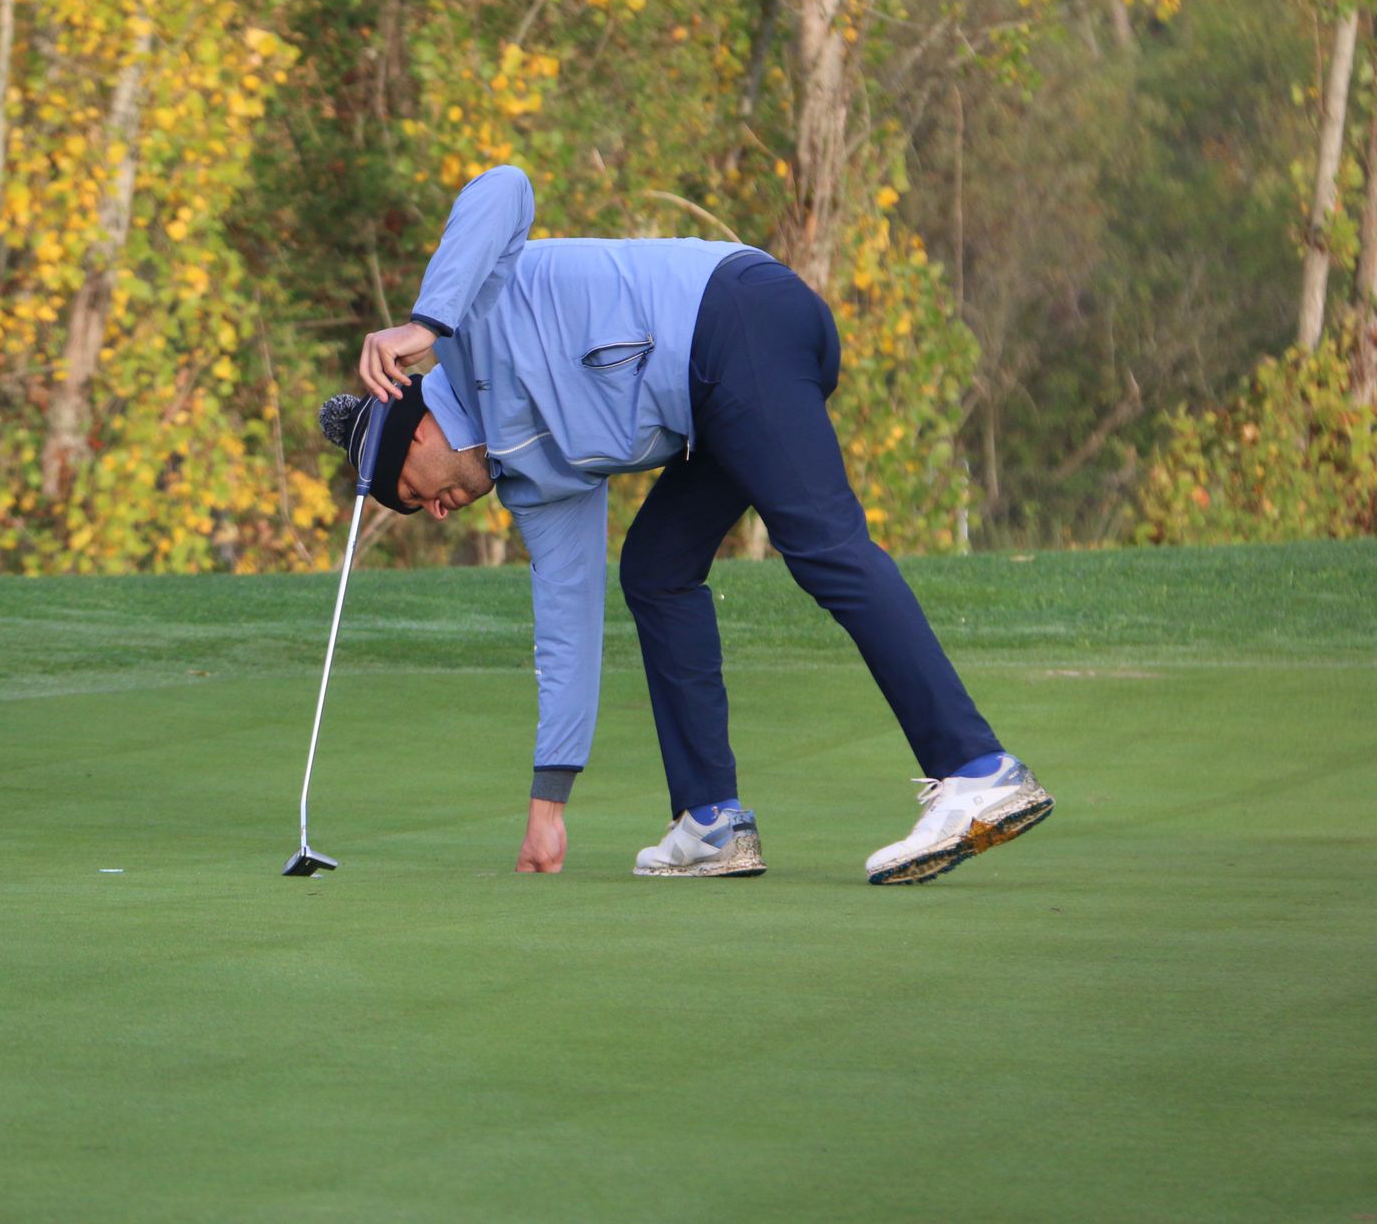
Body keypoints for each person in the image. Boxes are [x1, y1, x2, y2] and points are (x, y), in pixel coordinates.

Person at [324, 164, 1052, 883]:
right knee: (657, 569)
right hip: (715, 400)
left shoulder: (465, 326)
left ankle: (975, 767)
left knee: (824, 547)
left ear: (417, 437)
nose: (435, 511)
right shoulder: (534, 488)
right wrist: (550, 803)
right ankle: (710, 822)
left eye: (413, 495)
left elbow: (504, 187)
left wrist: (428, 319)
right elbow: (567, 628)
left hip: (741, 317)